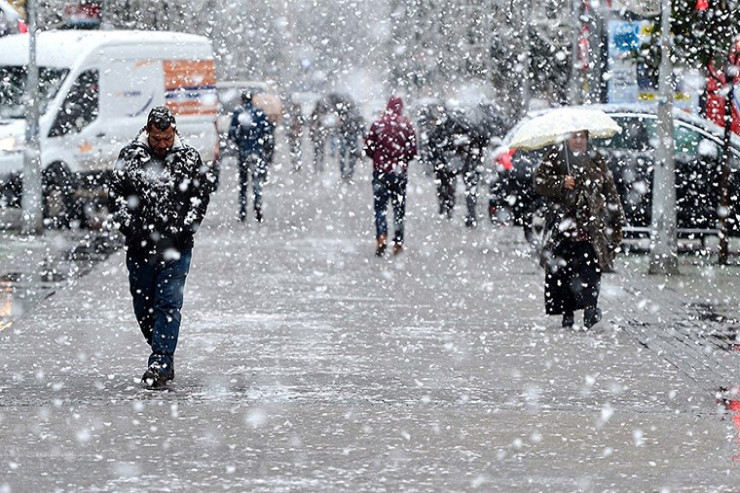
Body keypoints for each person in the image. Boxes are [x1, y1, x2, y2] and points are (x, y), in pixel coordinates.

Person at [109, 106, 215, 388]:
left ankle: (160, 361)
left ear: (174, 132)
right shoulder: (130, 156)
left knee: (168, 304)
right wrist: (129, 228)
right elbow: (116, 195)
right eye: (156, 138)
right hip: (141, 247)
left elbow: (200, 197)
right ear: (148, 132)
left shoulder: (189, 158)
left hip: (176, 248)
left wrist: (185, 229)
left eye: (166, 138)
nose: (162, 144)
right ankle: (160, 345)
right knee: (144, 307)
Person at [533, 130, 625, 329]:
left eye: (582, 137)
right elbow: (539, 182)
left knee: (591, 270)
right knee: (564, 272)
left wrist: (617, 219)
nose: (578, 141)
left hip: (589, 227)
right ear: (568, 138)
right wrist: (560, 183)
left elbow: (609, 190)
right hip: (563, 227)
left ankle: (590, 309)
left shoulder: (595, 158)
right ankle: (567, 313)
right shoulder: (556, 156)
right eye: (574, 137)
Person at [364, 95, 418, 256]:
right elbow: (412, 151)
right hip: (399, 173)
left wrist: (378, 159)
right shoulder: (406, 125)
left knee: (380, 208)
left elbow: (368, 147)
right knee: (399, 208)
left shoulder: (378, 124)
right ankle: (398, 242)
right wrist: (401, 160)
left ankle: (381, 236)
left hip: (380, 172)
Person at [228, 92, 272, 223]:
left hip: (243, 152)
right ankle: (258, 210)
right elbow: (267, 132)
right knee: (256, 182)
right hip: (256, 152)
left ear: (242, 100)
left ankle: (242, 212)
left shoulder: (238, 113)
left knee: (243, 183)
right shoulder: (259, 113)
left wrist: (240, 143)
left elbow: (232, 133)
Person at [286, 101, 305, 172]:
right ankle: (295, 164)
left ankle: (296, 164)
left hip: (296, 136)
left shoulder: (296, 117)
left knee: (295, 150)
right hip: (294, 136)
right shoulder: (292, 116)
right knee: (295, 150)